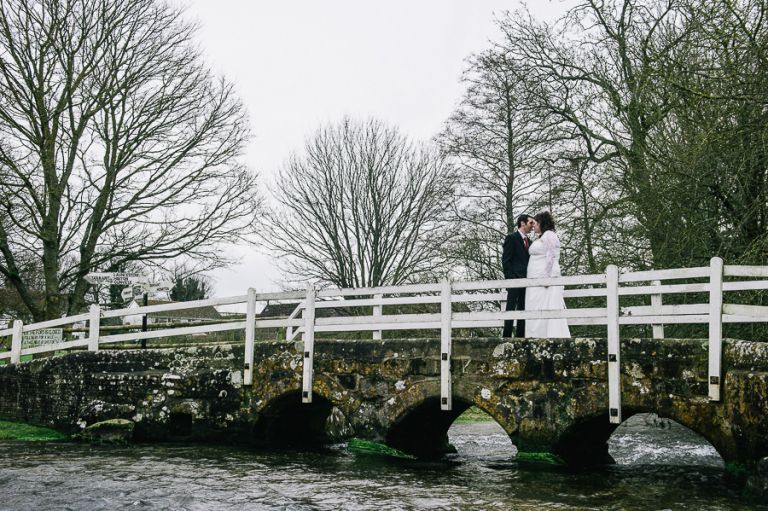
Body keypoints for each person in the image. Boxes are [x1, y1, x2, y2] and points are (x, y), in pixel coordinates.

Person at [525, 211, 570, 338]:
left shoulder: (549, 235)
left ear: (542, 223)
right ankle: (538, 335)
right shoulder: (544, 236)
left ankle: (545, 335)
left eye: (536, 223)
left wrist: (546, 277)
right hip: (537, 280)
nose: (534, 226)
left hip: (543, 280)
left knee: (545, 307)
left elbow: (551, 256)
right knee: (537, 308)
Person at [502, 214, 535, 337]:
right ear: (522, 223)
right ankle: (506, 336)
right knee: (510, 309)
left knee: (523, 309)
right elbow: (506, 261)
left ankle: (521, 336)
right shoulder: (511, 238)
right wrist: (510, 280)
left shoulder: (530, 242)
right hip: (514, 279)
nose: (533, 226)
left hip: (527, 281)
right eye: (531, 223)